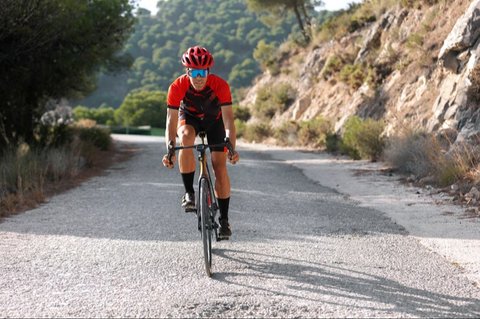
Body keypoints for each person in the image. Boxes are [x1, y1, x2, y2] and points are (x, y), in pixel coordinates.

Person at [162, 46, 239, 239]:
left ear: (208, 72)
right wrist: (170, 149)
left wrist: (231, 145)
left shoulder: (220, 85)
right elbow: (171, 121)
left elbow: (228, 119)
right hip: (189, 118)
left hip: (215, 121)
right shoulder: (177, 86)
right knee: (186, 137)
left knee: (219, 166)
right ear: (187, 71)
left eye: (202, 72)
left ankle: (224, 220)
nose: (198, 77)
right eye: (194, 72)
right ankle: (189, 193)